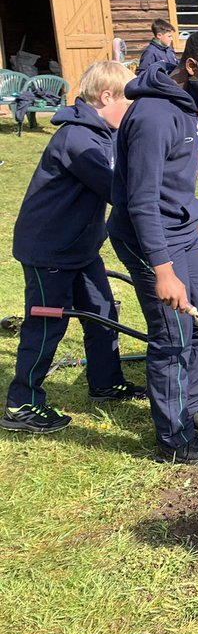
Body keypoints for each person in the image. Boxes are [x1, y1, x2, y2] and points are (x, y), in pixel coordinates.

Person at [108, 30, 198, 464]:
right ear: (191, 67)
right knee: (173, 335)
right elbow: (140, 199)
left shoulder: (185, 105)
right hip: (150, 239)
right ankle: (174, 439)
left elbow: (171, 178)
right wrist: (162, 269)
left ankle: (192, 407)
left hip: (182, 230)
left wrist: (193, 207)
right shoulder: (153, 117)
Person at [2, 62, 144, 434]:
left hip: (80, 247)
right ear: (106, 96)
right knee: (47, 325)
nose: (132, 112)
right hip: (49, 250)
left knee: (101, 309)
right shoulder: (77, 140)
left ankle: (105, 382)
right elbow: (119, 189)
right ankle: (22, 403)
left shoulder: (103, 134)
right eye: (129, 104)